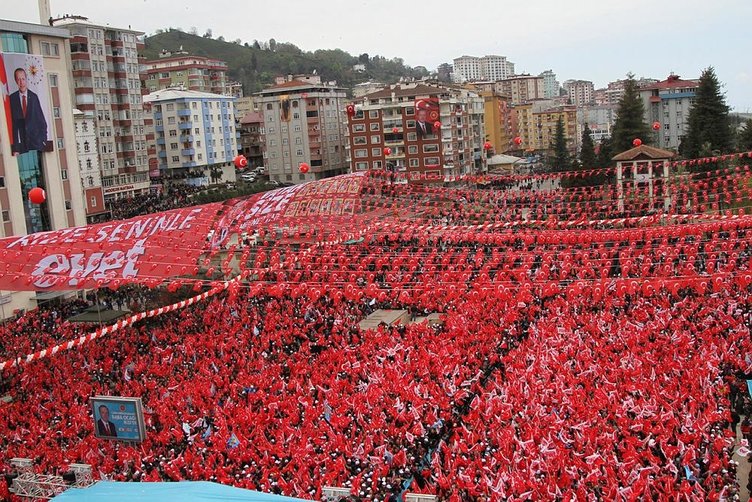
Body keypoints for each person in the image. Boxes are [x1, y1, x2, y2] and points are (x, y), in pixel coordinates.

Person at [9, 68, 48, 155]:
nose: (21, 82)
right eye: (18, 79)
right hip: (21, 145)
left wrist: (43, 140)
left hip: (36, 144)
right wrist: (15, 148)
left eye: (23, 79)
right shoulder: (12, 98)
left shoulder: (34, 97)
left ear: (26, 79)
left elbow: (41, 121)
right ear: (16, 81)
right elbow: (13, 125)